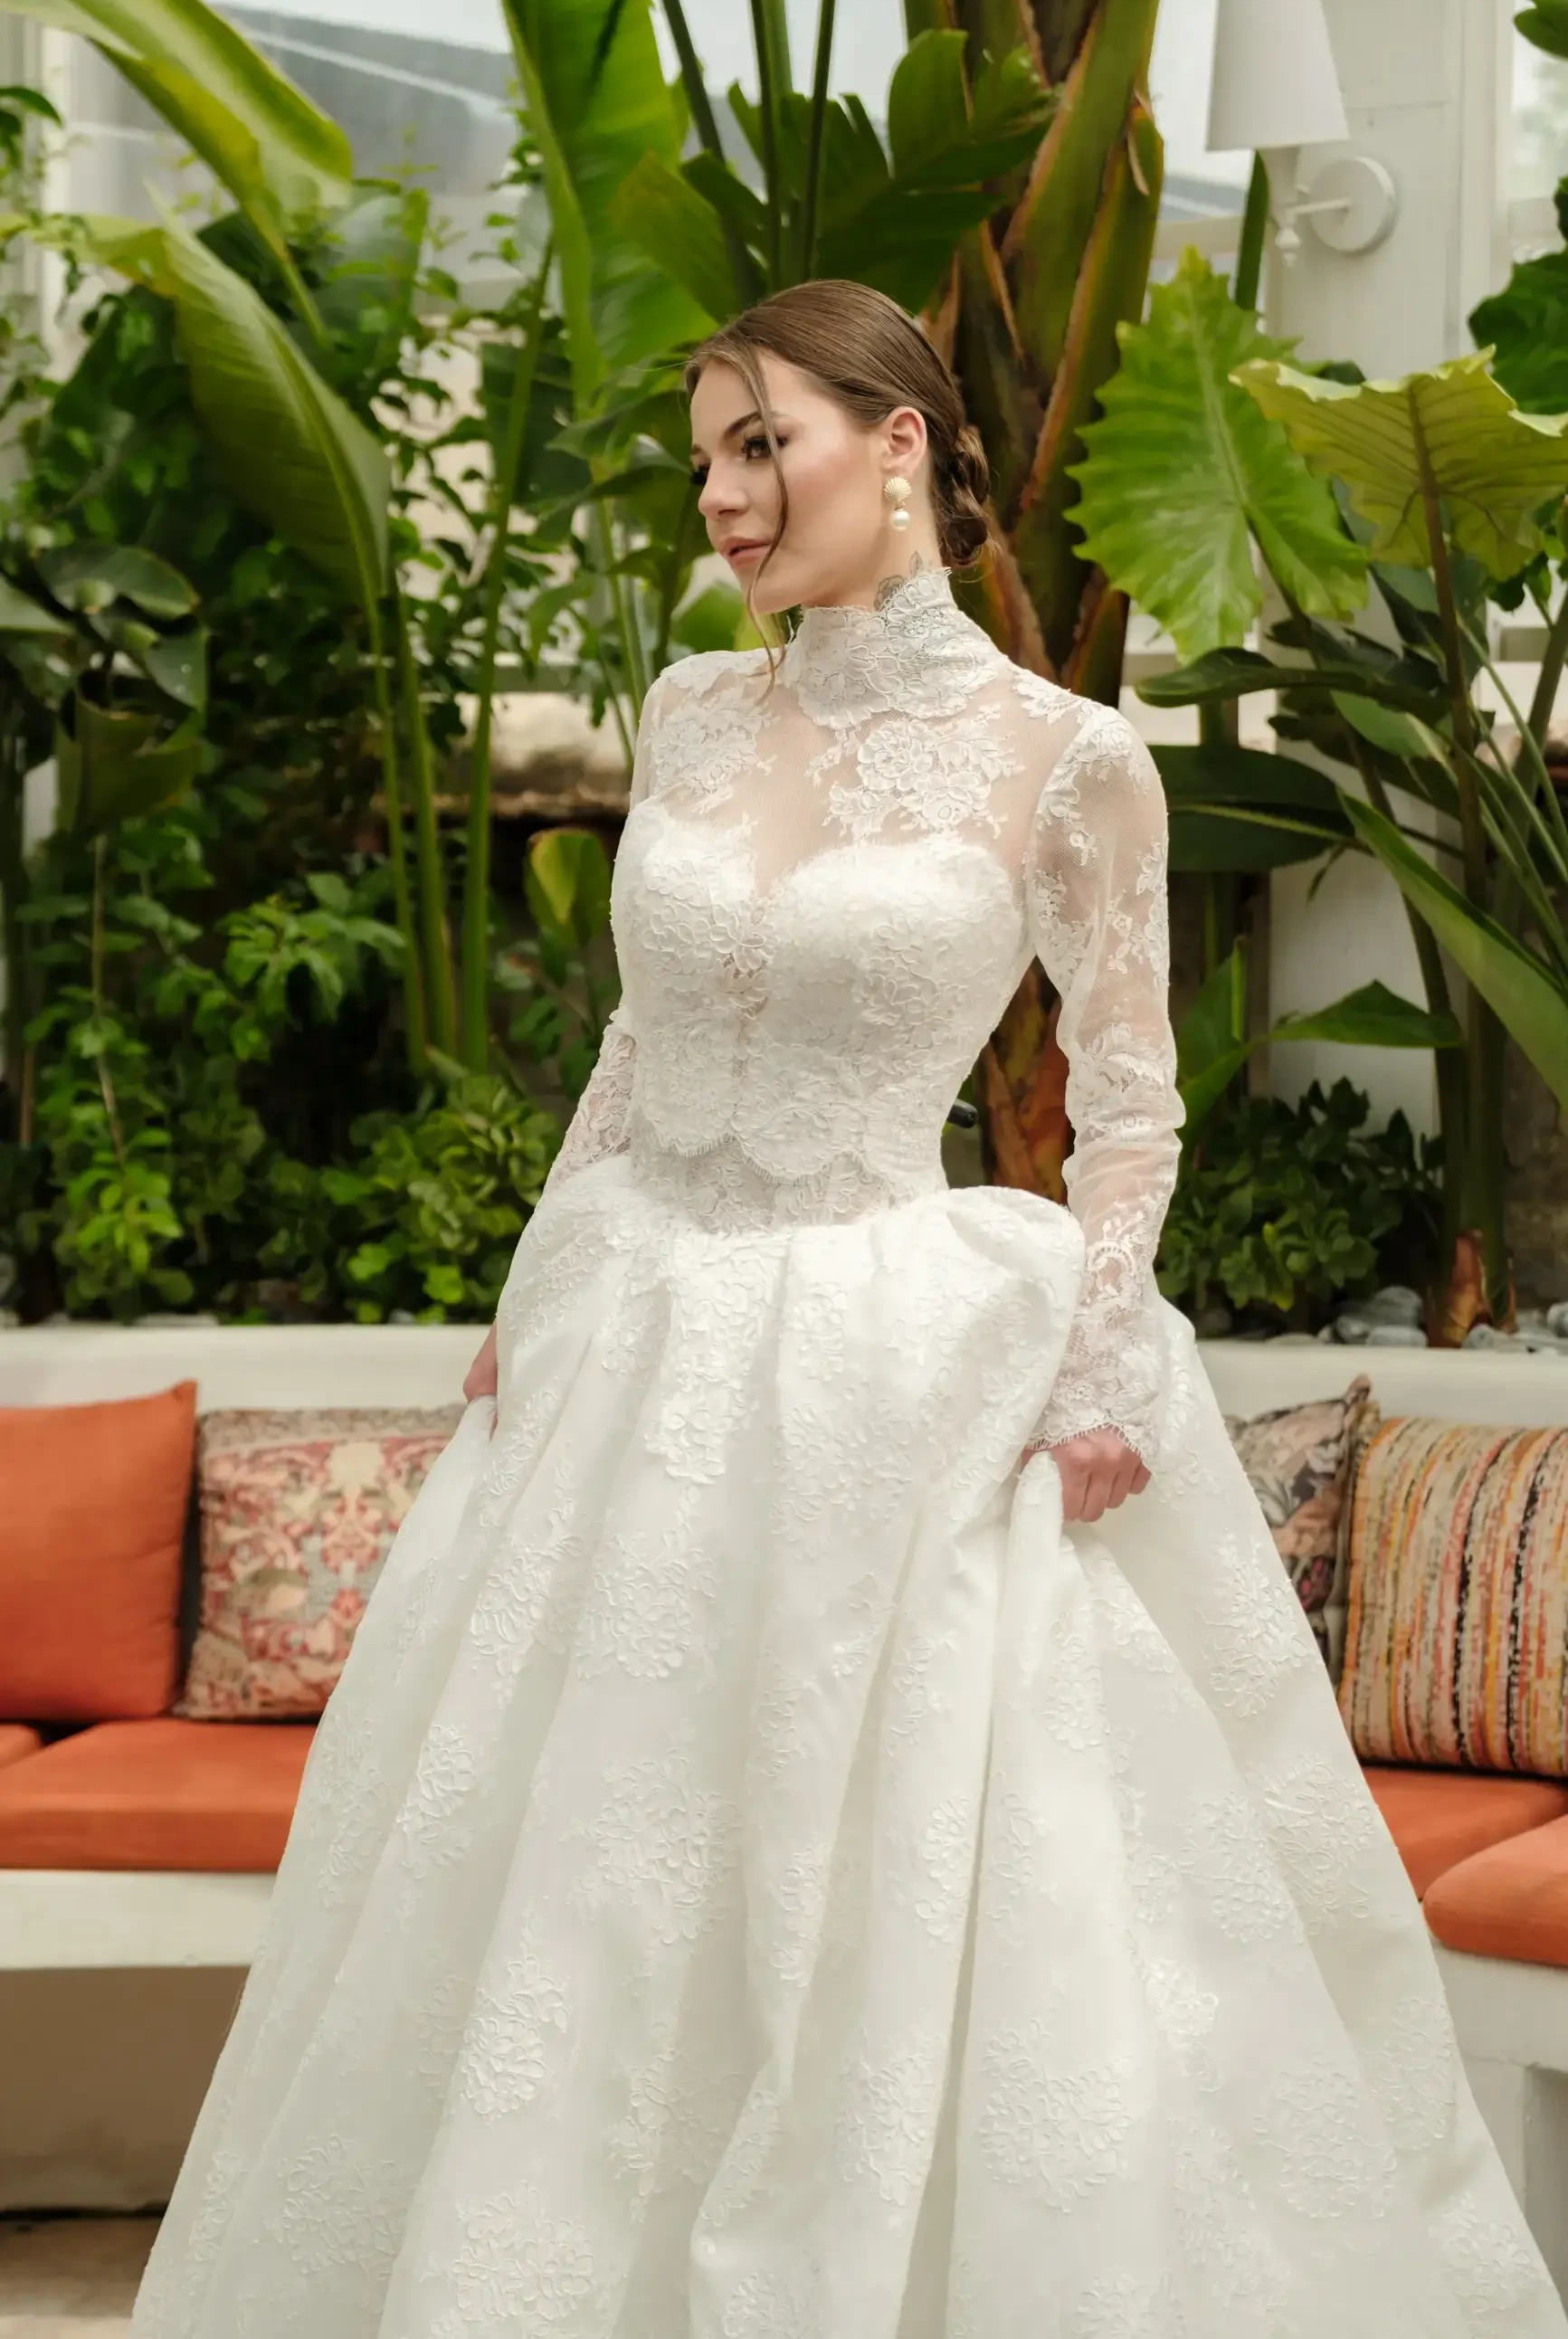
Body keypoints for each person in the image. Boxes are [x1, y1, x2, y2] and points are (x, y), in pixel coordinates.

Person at [131, 279, 1566, 2338]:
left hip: (896, 1363)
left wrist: (1089, 1366)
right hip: (634, 1336)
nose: (720, 496)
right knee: (571, 1880)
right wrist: (537, 1292)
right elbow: (627, 1049)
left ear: (898, 442)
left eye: (760, 443)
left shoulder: (1066, 759)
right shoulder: (700, 712)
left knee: (897, 1870)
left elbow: (1131, 1103)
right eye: (701, 454)